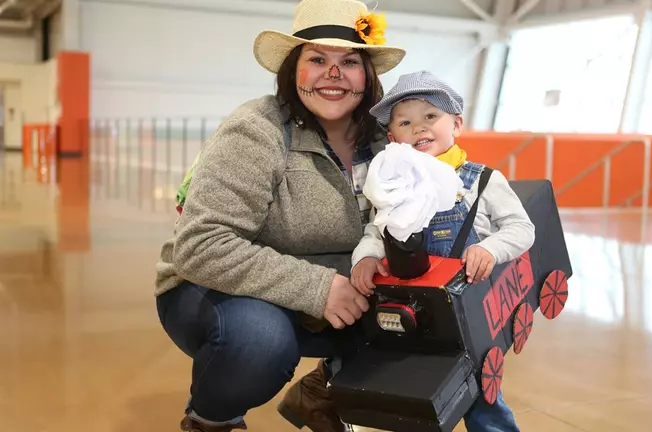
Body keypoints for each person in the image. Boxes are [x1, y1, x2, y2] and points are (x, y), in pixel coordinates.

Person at [153, 0, 406, 431]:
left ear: (368, 75)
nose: (333, 73)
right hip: (220, 289)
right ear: (293, 71)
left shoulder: (388, 140)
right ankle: (211, 420)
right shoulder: (257, 130)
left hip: (339, 294)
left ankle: (323, 389)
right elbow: (202, 246)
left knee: (425, 314)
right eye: (317, 59)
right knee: (259, 340)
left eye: (349, 61)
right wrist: (318, 286)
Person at [350, 70, 536, 432]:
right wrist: (367, 257)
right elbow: (376, 229)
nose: (419, 128)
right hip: (417, 309)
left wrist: (490, 249)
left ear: (457, 124)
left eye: (430, 117)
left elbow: (521, 229)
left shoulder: (483, 180)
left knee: (483, 393)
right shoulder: (393, 189)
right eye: (406, 122)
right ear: (393, 138)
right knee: (416, 390)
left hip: (470, 311)